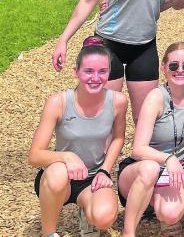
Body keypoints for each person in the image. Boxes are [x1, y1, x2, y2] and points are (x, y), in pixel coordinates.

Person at [29, 37, 127, 237]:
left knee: (104, 217)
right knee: (57, 174)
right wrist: (67, 157)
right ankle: (49, 233)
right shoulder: (59, 102)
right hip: (59, 177)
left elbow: (118, 138)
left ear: (109, 73)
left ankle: (86, 211)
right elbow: (34, 155)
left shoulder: (118, 101)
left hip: (92, 177)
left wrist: (105, 171)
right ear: (76, 72)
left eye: (102, 72)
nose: (95, 78)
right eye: (88, 71)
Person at [117, 42, 184, 236]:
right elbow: (138, 149)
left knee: (170, 213)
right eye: (173, 65)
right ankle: (129, 232)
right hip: (142, 169)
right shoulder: (156, 98)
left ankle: (153, 205)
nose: (180, 70)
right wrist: (169, 159)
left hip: (175, 174)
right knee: (150, 169)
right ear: (164, 67)